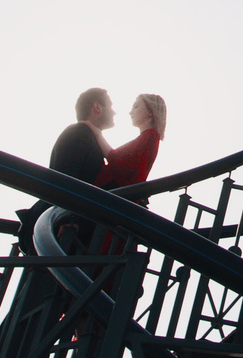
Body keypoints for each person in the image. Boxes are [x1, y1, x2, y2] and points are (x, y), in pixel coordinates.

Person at [42, 88, 115, 254]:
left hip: (74, 230)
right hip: (65, 232)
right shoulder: (78, 133)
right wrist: (66, 218)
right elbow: (65, 176)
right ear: (97, 107)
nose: (114, 112)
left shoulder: (87, 136)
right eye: (110, 106)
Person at [96, 93, 167, 191]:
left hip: (113, 194)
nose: (130, 112)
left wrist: (96, 133)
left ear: (151, 111)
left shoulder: (151, 136)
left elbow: (117, 161)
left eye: (136, 107)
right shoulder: (148, 137)